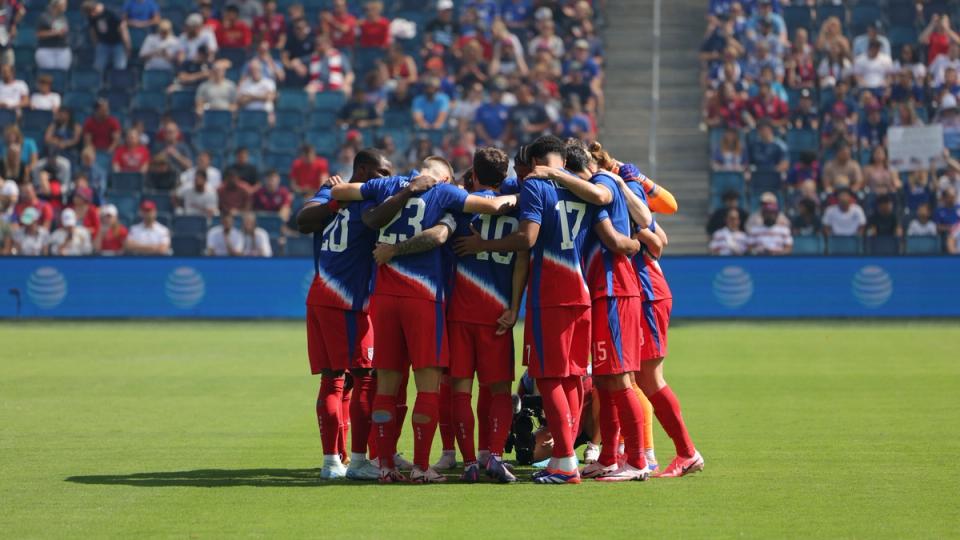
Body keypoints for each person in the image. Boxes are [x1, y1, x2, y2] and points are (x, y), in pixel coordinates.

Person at [330, 154, 515, 484]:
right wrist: (519, 196)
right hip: (423, 298)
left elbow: (341, 193)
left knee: (386, 384)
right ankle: (419, 467)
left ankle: (385, 466)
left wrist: (335, 185)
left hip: (383, 298)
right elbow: (493, 207)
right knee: (427, 385)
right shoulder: (445, 193)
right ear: (443, 178)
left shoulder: (387, 184)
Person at [454, 136, 591, 484]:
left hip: (550, 296)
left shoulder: (534, 187)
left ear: (532, 163)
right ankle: (568, 454)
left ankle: (564, 460)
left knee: (546, 379)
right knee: (574, 377)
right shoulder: (583, 185)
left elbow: (526, 240)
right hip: (581, 293)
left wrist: (482, 245)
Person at [385, 148, 526, 483]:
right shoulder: (519, 208)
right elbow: (523, 258)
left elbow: (437, 237)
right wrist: (515, 306)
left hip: (459, 313)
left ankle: (467, 463)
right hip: (499, 314)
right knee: (500, 391)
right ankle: (492, 455)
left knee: (460, 390)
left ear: (473, 174)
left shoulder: (458, 207)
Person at [295, 149, 435, 480]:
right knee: (365, 378)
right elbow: (373, 220)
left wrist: (333, 200)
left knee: (334, 380)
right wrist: (409, 189)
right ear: (362, 169)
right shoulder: (367, 202)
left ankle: (333, 460)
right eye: (381, 173)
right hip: (346, 300)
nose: (385, 179)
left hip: (320, 294)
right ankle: (356, 461)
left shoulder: (336, 192)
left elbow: (303, 220)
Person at [84, 1, 130, 72]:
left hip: (117, 43)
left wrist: (127, 46)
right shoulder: (91, 16)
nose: (92, 14)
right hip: (103, 43)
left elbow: (123, 28)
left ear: (96, 8)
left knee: (120, 68)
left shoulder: (111, 12)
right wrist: (96, 44)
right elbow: (92, 31)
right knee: (98, 68)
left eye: (92, 12)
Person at [35, 0, 71, 70]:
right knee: (48, 74)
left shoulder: (63, 17)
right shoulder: (44, 17)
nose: (65, 6)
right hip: (46, 50)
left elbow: (64, 31)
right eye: (63, 4)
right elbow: (38, 34)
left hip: (62, 49)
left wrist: (63, 32)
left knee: (61, 74)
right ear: (56, 5)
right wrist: (54, 33)